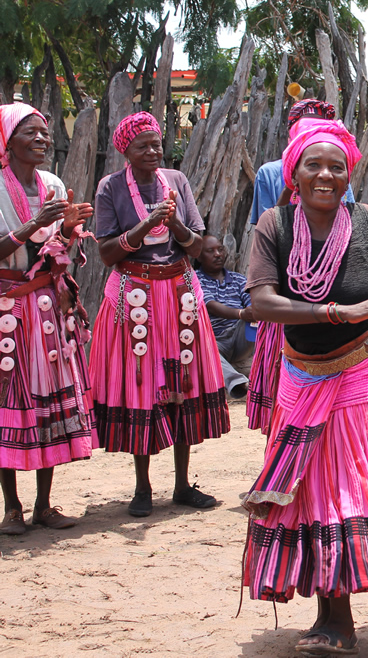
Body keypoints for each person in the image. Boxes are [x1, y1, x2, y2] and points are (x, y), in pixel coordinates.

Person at [241, 119, 368, 656]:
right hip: (302, 372)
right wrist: (334, 310)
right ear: (295, 173)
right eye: (314, 165)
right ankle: (327, 612)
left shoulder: (362, 219)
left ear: (348, 173)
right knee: (306, 487)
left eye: (337, 166)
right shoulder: (274, 225)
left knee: (341, 485)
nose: (326, 175)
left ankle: (340, 620)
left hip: (366, 366)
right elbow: (260, 303)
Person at [90, 111, 229, 517]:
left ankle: (183, 485)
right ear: (126, 152)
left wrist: (176, 227)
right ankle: (142, 488)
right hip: (136, 293)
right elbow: (106, 252)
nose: (152, 151)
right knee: (143, 386)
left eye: (156, 143)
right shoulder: (110, 188)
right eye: (142, 146)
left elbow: (197, 245)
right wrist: (144, 226)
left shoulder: (178, 182)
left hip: (180, 290)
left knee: (183, 381)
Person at [0, 103, 94, 534]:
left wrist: (69, 231)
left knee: (49, 403)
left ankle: (43, 505)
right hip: (8, 308)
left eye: (44, 131)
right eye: (30, 133)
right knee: (10, 402)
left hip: (47, 307)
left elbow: (53, 253)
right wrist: (31, 225)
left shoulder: (52, 184)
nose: (41, 138)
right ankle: (12, 509)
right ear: (7, 141)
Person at [247, 99, 354, 434]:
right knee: (283, 391)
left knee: (334, 395)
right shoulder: (269, 173)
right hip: (285, 293)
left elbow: (345, 223)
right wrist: (291, 183)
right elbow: (268, 225)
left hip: (328, 290)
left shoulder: (334, 171)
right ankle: (278, 467)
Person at [195, 234, 255, 399]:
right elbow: (210, 306)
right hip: (214, 340)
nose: (217, 254)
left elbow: (252, 303)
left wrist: (251, 312)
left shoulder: (238, 279)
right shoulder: (195, 280)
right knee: (198, 344)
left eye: (220, 249)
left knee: (260, 318)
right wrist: (241, 313)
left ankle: (269, 371)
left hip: (240, 336)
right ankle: (237, 383)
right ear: (199, 257)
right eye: (210, 251)